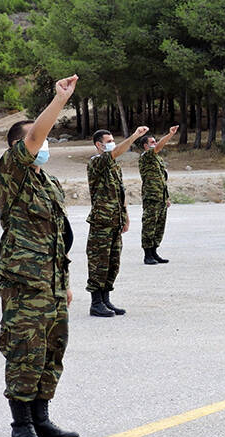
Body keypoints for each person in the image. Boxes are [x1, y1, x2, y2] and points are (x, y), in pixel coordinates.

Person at [0, 75, 80, 437]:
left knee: (51, 352)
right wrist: (59, 100)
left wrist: (64, 282)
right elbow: (32, 139)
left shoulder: (50, 183)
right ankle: (22, 425)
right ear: (19, 146)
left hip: (52, 283)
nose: (43, 144)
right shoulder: (11, 174)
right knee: (24, 352)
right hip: (24, 283)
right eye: (37, 139)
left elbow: (59, 238)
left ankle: (42, 419)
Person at [87, 125, 149, 316]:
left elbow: (120, 192)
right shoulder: (97, 162)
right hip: (101, 222)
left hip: (115, 220)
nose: (112, 144)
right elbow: (116, 152)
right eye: (108, 141)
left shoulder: (114, 166)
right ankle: (96, 303)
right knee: (99, 262)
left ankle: (106, 300)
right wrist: (135, 136)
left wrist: (126, 216)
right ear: (99, 145)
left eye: (113, 140)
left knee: (113, 262)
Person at [138, 125, 179, 264]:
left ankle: (154, 251)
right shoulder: (146, 156)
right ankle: (147, 254)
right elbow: (159, 147)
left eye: (155, 141)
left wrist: (166, 198)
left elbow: (162, 179)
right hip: (151, 197)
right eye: (152, 142)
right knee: (149, 225)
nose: (155, 144)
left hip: (160, 197)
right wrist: (170, 134)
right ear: (145, 146)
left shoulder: (158, 159)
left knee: (159, 226)